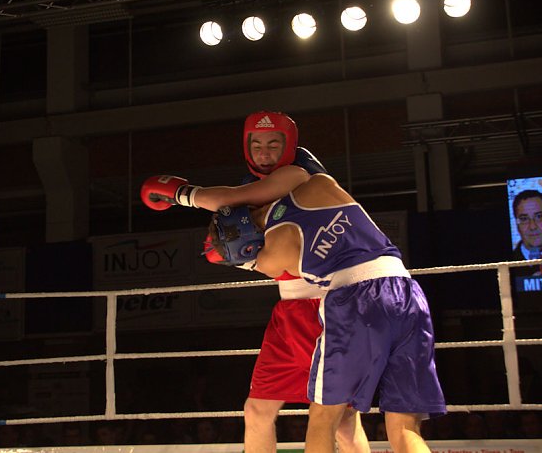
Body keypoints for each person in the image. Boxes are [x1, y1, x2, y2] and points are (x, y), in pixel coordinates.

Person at [141, 111, 369, 453]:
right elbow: (272, 259)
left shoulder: (299, 175)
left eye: (274, 144)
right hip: (290, 311)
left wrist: (180, 193)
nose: (265, 152)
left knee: (344, 422)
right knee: (257, 411)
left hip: (326, 309)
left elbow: (225, 199)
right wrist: (244, 258)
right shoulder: (258, 190)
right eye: (257, 144)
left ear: (289, 146)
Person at [206, 173, 446, 453]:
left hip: (356, 301)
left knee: (324, 418)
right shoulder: (320, 185)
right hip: (406, 292)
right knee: (404, 427)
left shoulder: (273, 255)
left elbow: (253, 260)